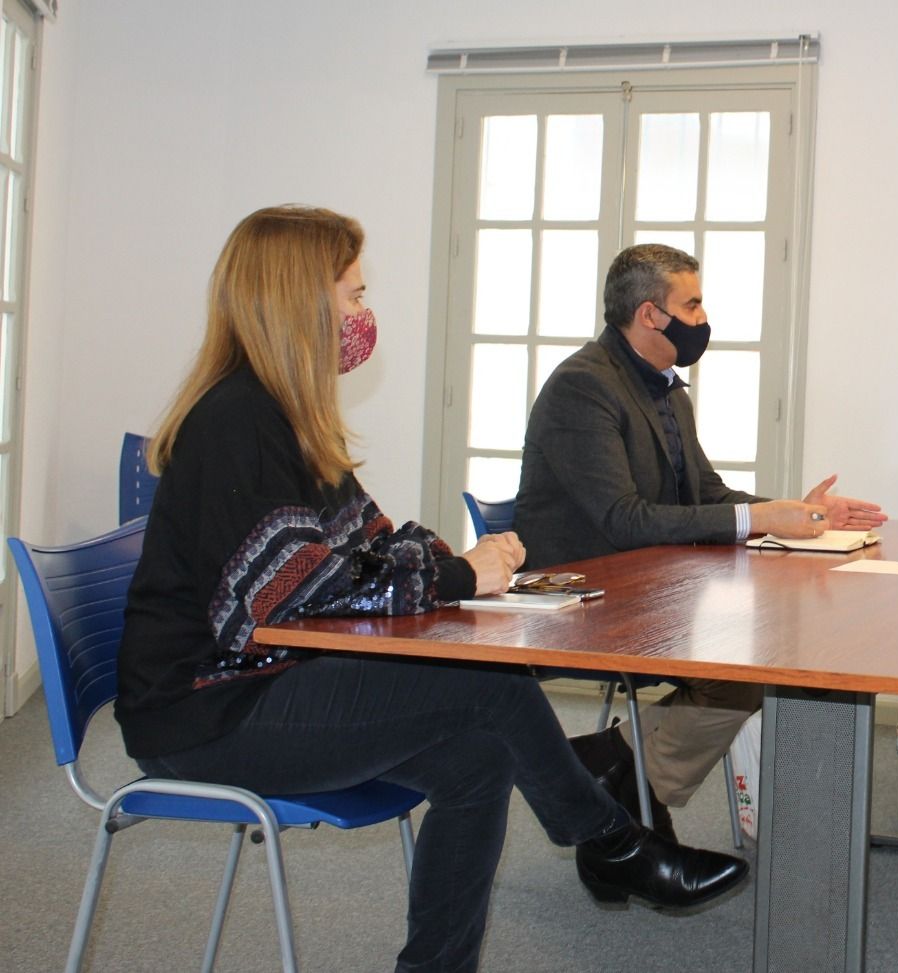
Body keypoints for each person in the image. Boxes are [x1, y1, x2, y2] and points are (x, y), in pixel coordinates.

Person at [116, 207, 748, 973]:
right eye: (352, 296)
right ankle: (611, 841)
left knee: (478, 758)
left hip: (266, 683)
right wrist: (453, 575)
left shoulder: (286, 416)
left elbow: (367, 538)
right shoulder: (237, 422)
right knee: (485, 687)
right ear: (297, 302)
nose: (362, 314)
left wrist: (461, 561)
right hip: (207, 710)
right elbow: (293, 589)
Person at [513, 243, 886, 840]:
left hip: (649, 583)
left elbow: (705, 494)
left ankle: (616, 779)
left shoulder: (666, 388)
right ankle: (624, 806)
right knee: (744, 669)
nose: (703, 317)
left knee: (755, 665)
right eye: (693, 303)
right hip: (583, 593)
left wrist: (798, 511)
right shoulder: (583, 387)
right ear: (650, 316)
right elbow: (623, 520)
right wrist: (764, 520)